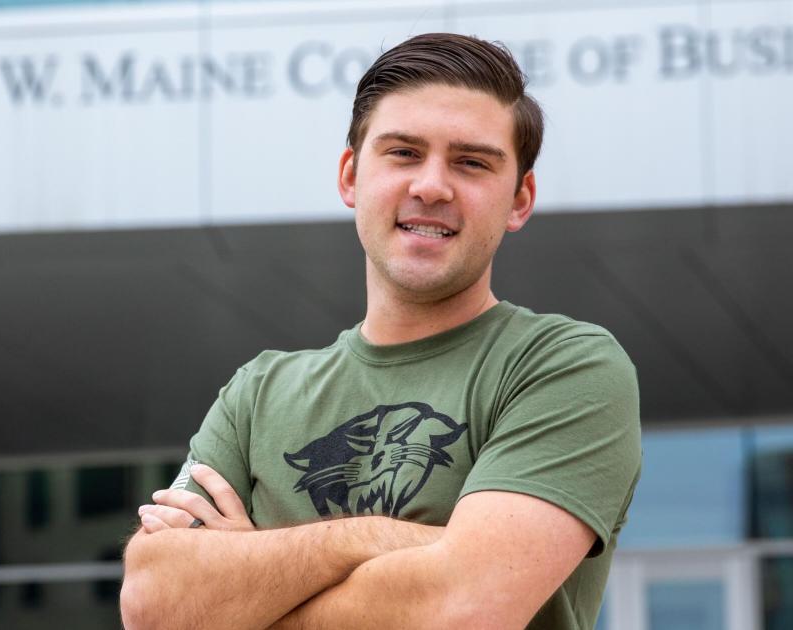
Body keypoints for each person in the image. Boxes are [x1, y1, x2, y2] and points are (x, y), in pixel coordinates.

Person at [120, 32, 641, 630]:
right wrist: (373, 539)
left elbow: (462, 609)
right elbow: (152, 602)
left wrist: (245, 592)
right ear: (350, 176)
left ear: (519, 199)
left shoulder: (565, 367)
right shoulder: (259, 391)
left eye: (472, 162)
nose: (432, 186)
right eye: (403, 153)